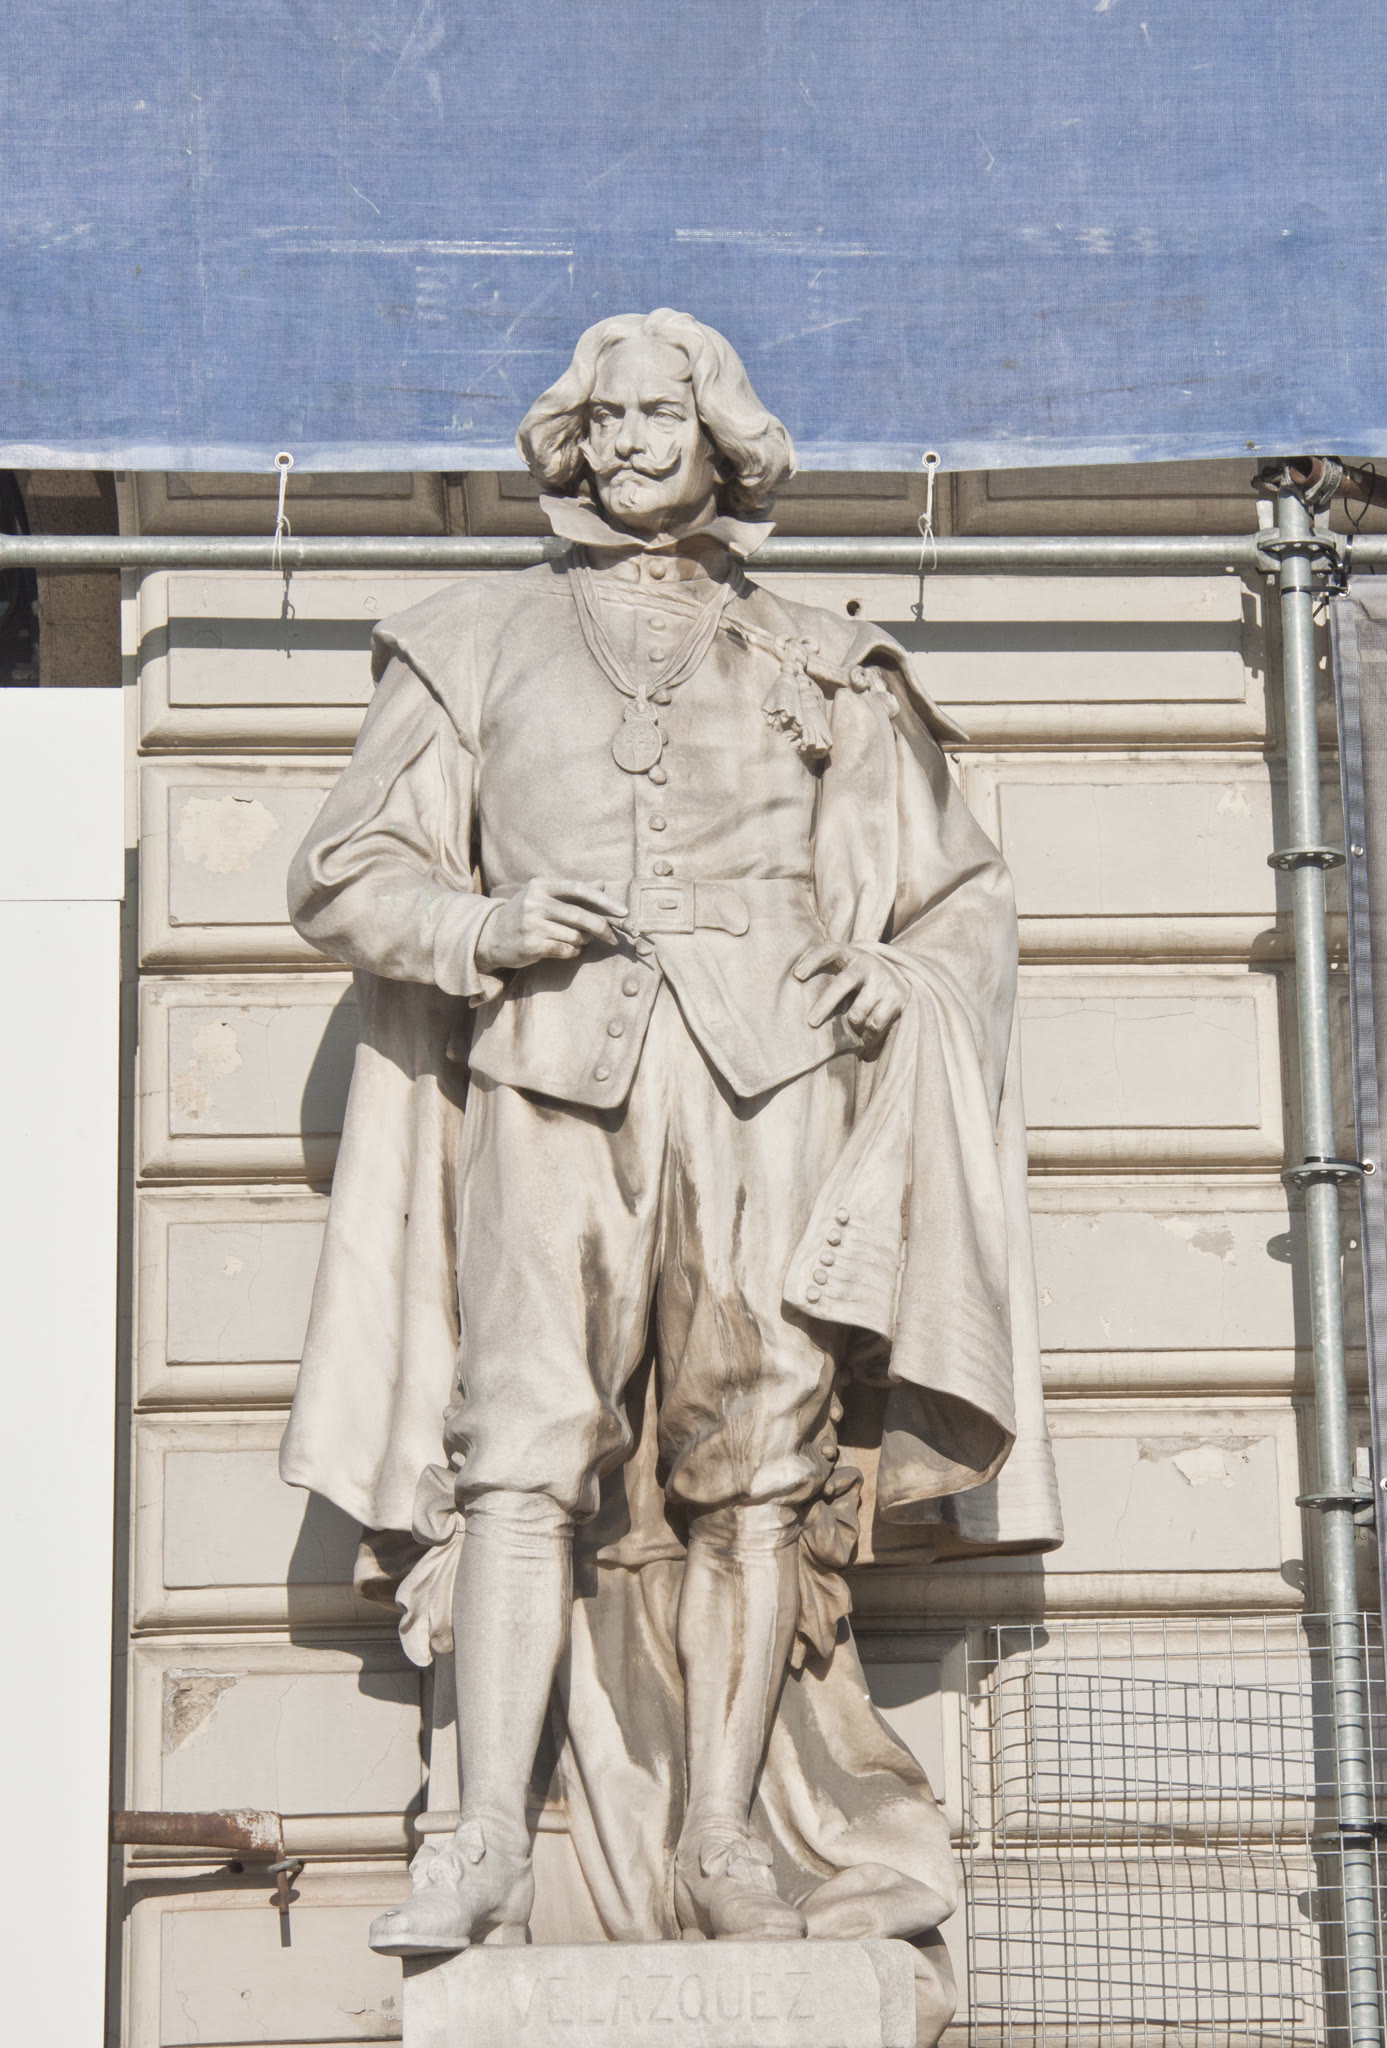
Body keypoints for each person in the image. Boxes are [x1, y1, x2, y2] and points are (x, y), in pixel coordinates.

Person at [279, 311, 1059, 1998]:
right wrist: (479, 924)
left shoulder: (825, 656)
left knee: (759, 1464)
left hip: (772, 1086)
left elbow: (958, 898)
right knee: (516, 1452)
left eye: (664, 415)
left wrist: (898, 974)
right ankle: (486, 1838)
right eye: (609, 416)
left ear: (722, 440)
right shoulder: (471, 641)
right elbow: (340, 870)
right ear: (573, 438)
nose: (632, 443)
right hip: (550, 1077)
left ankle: (721, 1834)